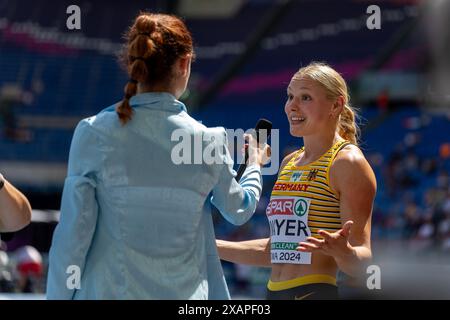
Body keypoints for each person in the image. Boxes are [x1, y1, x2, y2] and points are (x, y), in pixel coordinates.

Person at [46, 12, 269, 300]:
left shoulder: (93, 133)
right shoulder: (209, 141)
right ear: (185, 63)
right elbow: (239, 210)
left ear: (133, 64)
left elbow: (73, 237)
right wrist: (253, 164)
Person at [217, 62, 377, 300]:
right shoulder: (289, 162)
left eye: (305, 98)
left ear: (336, 104)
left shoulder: (347, 163)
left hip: (313, 292)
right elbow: (275, 250)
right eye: (290, 96)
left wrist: (345, 253)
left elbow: (363, 263)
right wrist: (209, 245)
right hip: (273, 293)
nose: (292, 105)